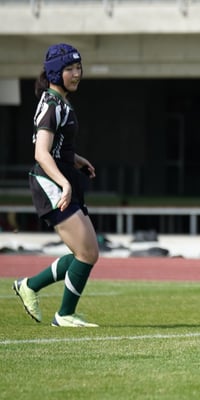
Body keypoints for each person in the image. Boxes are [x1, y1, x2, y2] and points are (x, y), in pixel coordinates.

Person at [12, 43, 100, 327]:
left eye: (78, 67)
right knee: (87, 253)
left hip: (62, 178)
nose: (77, 74)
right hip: (51, 185)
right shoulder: (52, 104)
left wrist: (77, 160)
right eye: (69, 69)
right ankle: (64, 314)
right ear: (54, 72)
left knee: (86, 252)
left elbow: (57, 148)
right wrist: (64, 183)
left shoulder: (60, 102)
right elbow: (41, 153)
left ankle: (29, 286)